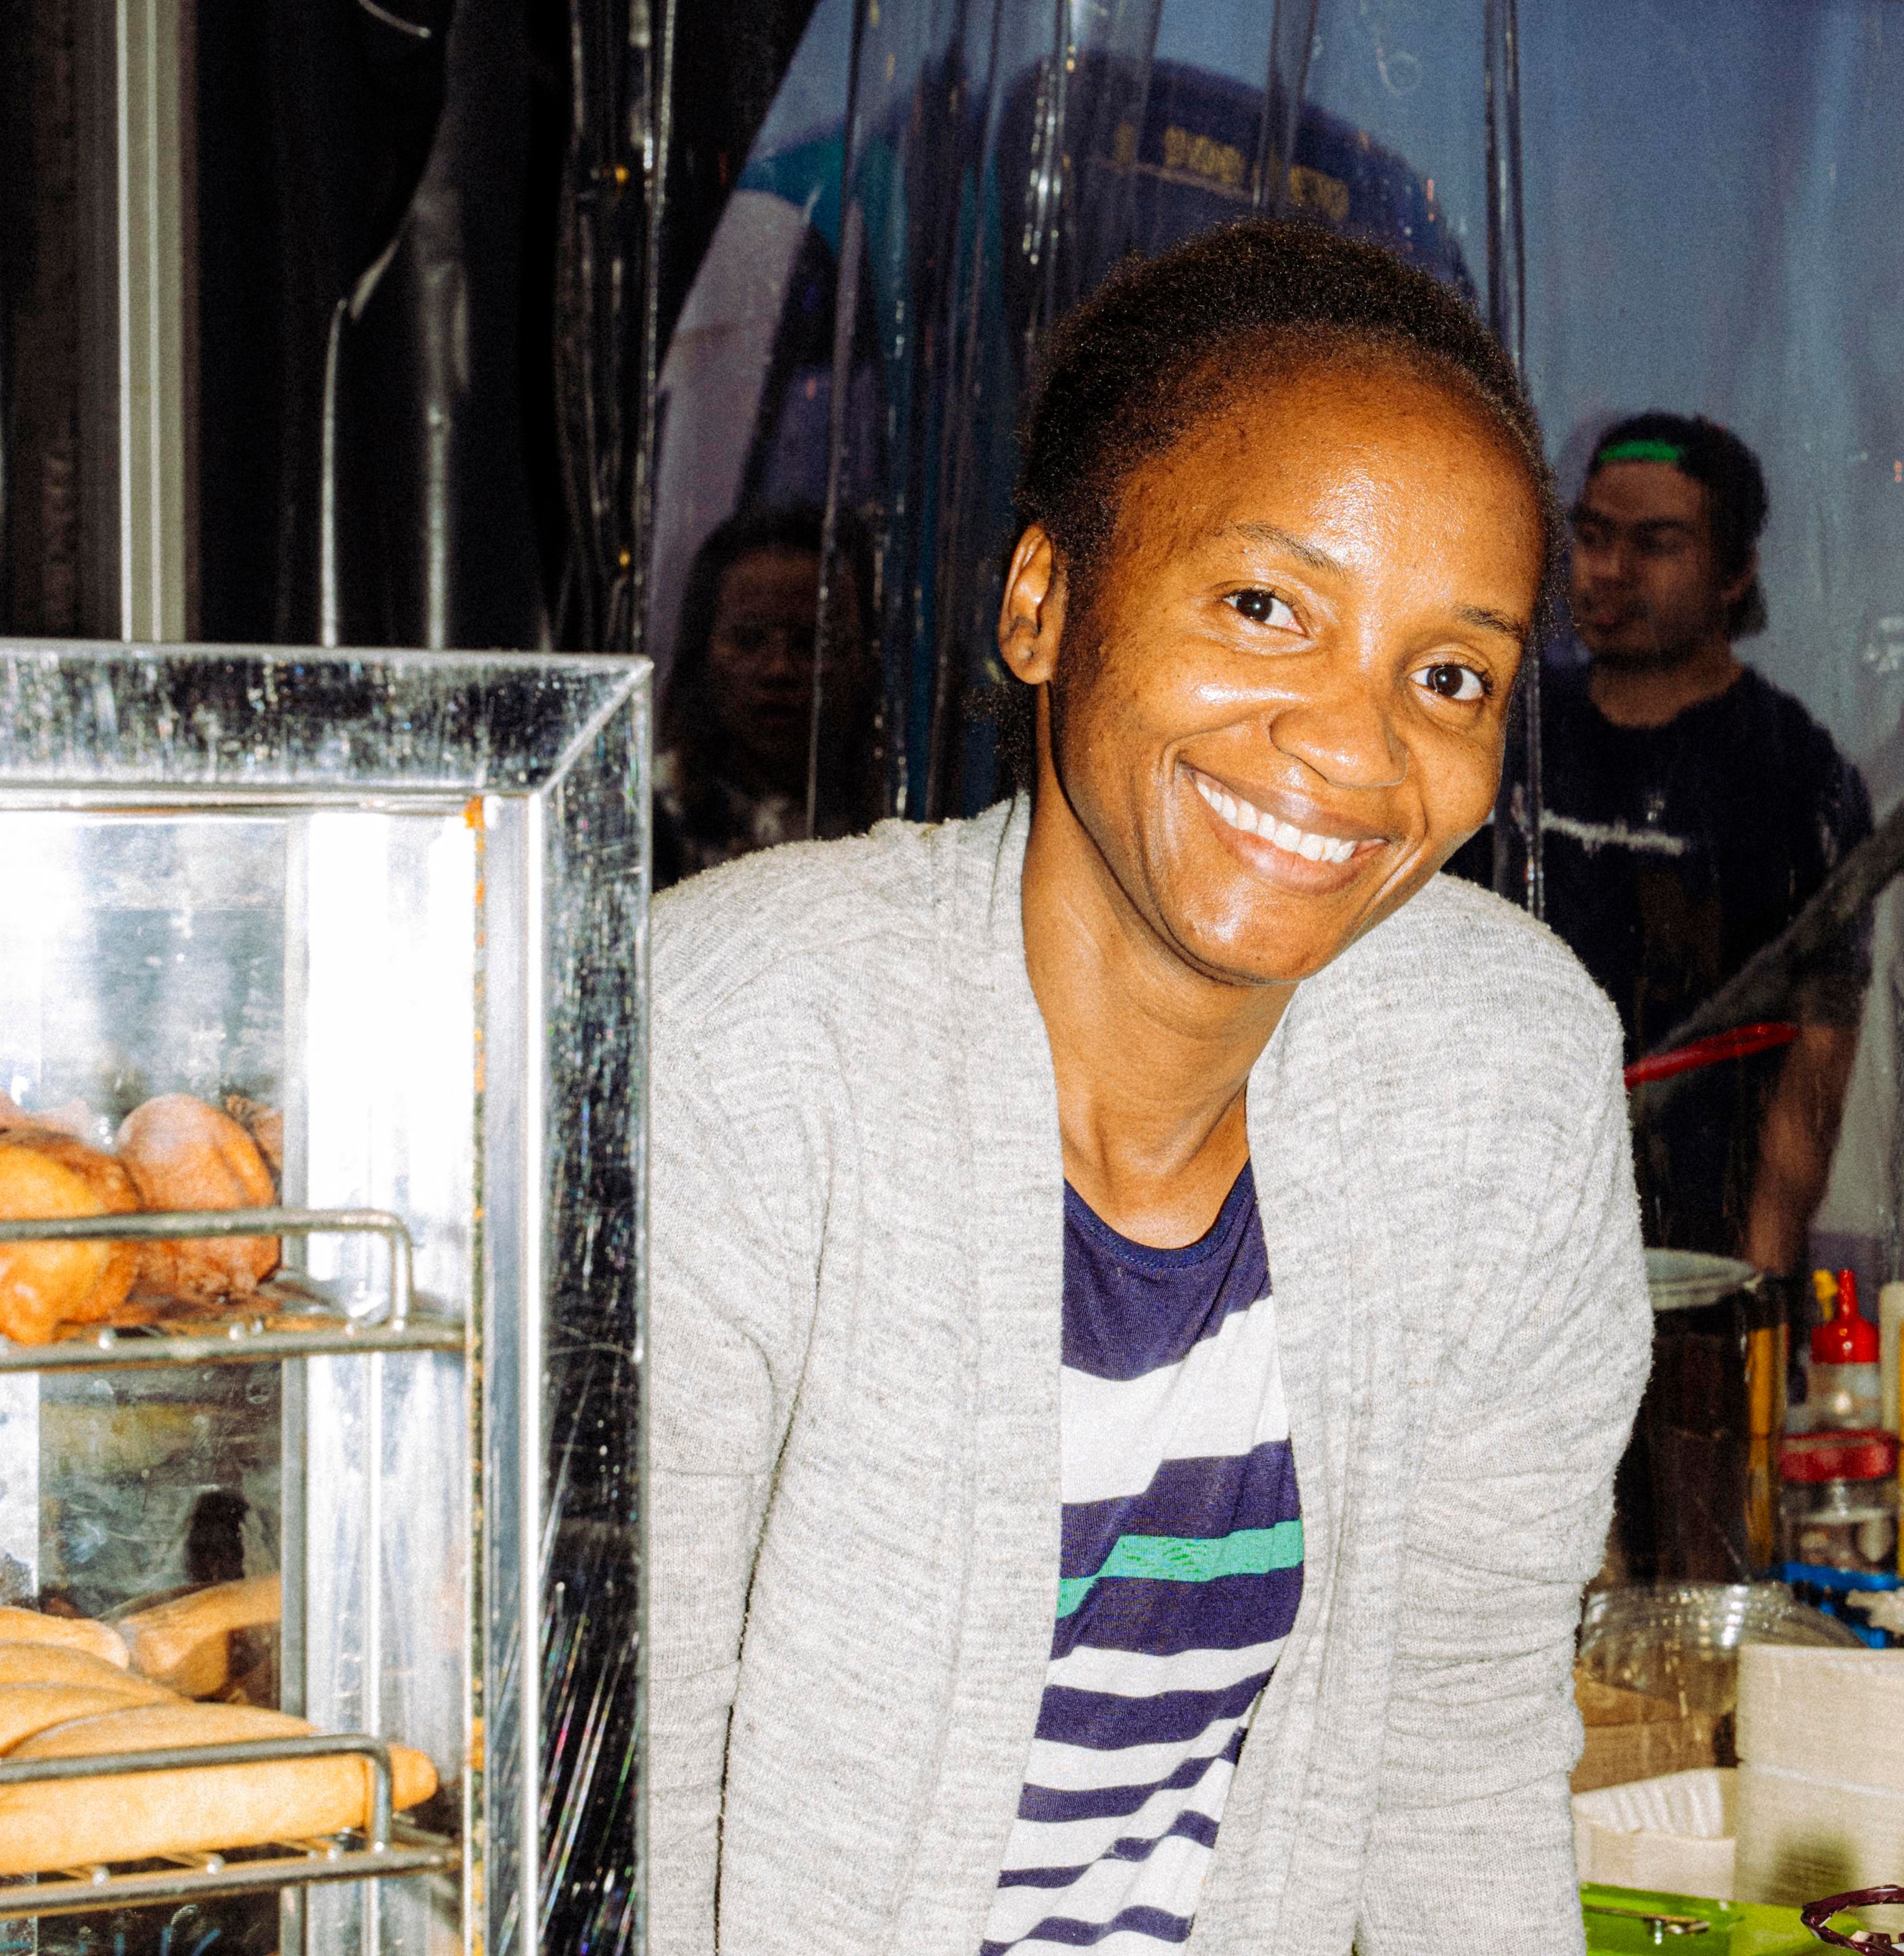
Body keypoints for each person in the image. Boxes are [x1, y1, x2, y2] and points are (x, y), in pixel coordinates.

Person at [651, 220, 1644, 1955]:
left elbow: (1459, 1759)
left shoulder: (1500, 1081)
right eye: (1267, 607)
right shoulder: (741, 1046)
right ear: (1041, 603)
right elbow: (617, 1784)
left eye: (1449, 673)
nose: (1355, 744)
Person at [1540, 413, 1871, 1275]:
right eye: (1591, 535)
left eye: (1654, 544)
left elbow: (1817, 1058)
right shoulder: (1505, 731)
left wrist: (1751, 1288)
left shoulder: (1797, 773)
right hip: (1504, 1246)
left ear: (1734, 575)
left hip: (1695, 1259)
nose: (1607, 570)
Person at [656, 503, 883, 885]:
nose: (779, 670)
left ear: (862, 657)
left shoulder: (903, 821)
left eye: (812, 643)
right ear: (702, 650)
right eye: (749, 640)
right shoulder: (647, 815)